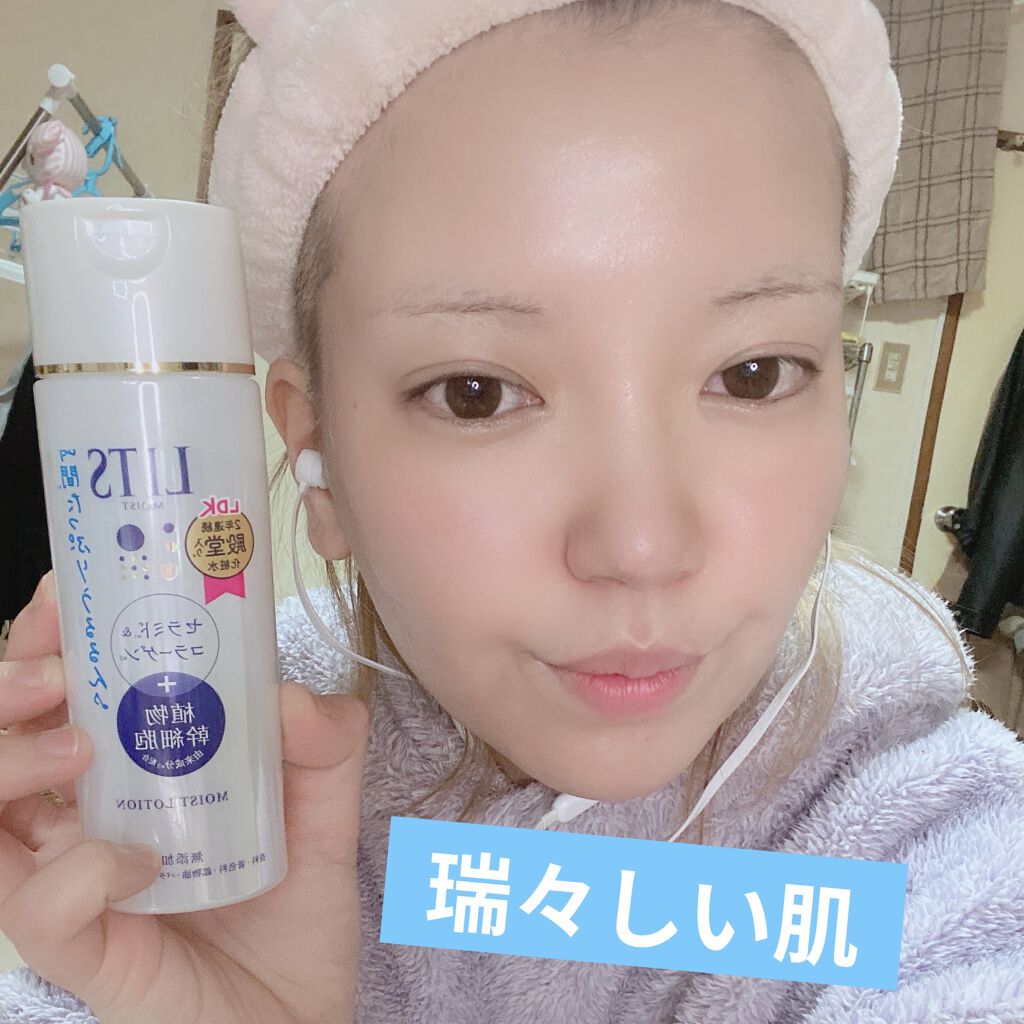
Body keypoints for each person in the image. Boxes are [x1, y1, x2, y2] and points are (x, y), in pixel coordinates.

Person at [2, 1, 1024, 1021]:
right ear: (316, 456)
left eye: (754, 373)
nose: (641, 546)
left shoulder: (946, 856)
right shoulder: (193, 818)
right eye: (476, 393)